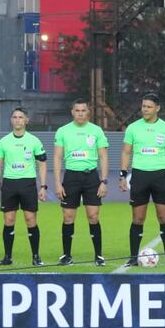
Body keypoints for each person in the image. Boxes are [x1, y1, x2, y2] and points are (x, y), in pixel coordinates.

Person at [119, 93, 165, 266]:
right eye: (143, 106)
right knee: (138, 218)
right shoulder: (132, 128)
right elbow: (126, 152)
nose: (145, 109)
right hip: (139, 176)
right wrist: (123, 175)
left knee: (164, 217)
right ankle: (133, 258)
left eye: (149, 106)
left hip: (160, 175)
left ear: (157, 108)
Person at [53, 98, 109, 266]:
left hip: (91, 177)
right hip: (71, 177)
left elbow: (104, 156)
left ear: (88, 112)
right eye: (77, 110)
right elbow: (57, 157)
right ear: (72, 112)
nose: (80, 113)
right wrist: (57, 182)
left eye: (83, 110)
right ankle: (67, 255)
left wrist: (104, 181)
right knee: (68, 216)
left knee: (93, 216)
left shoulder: (96, 131)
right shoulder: (63, 131)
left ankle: (98, 256)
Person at [0, 107, 48, 266]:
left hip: (28, 183)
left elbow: (42, 164)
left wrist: (43, 186)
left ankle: (36, 256)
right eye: (15, 117)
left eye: (20, 117)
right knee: (9, 220)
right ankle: (7, 257)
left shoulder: (34, 141)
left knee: (31, 220)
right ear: (11, 120)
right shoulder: (3, 141)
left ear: (26, 120)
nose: (17, 120)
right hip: (9, 183)